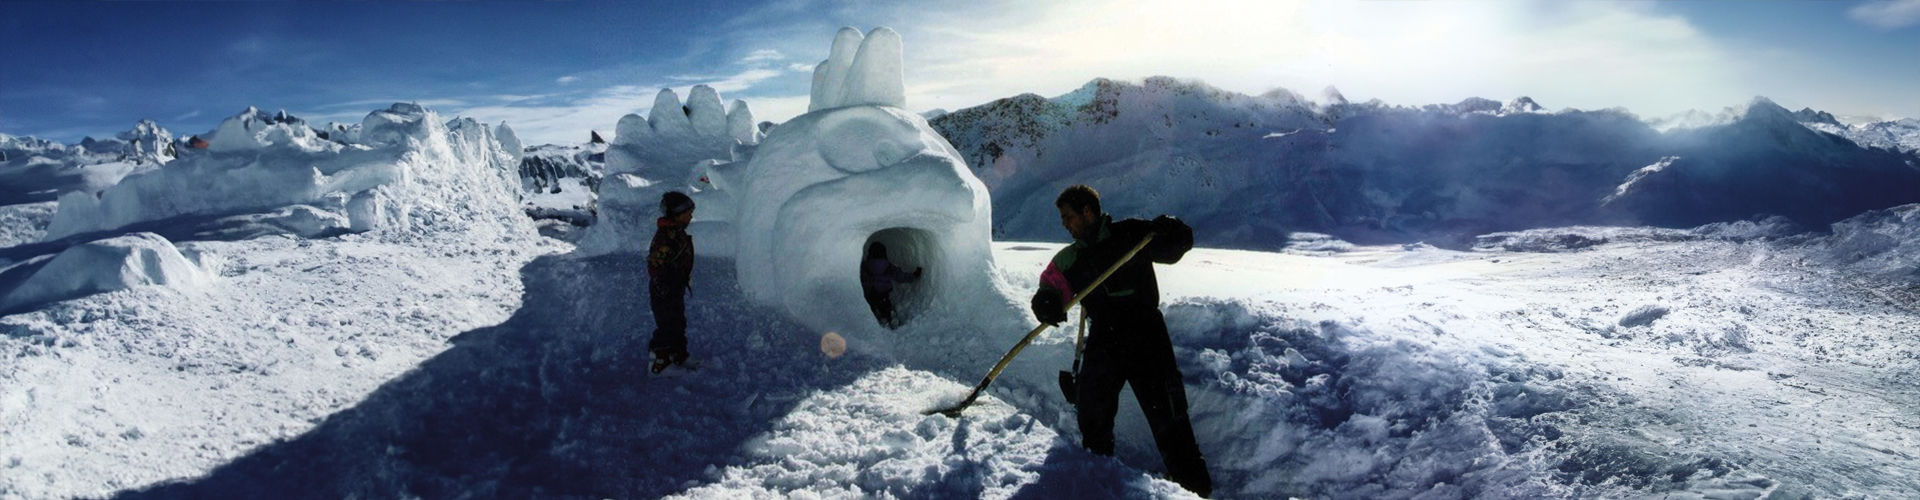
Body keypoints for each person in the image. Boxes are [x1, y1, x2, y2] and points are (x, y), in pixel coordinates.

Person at [1031, 184, 1212, 497]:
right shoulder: (1070, 258)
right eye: (1063, 219)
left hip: (1147, 336)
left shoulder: (1131, 235)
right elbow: (1049, 286)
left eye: (1069, 217)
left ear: (1088, 212)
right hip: (1104, 338)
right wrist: (1046, 303)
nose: (1065, 224)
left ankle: (1194, 487)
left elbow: (1175, 247)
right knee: (1092, 412)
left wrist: (1173, 230)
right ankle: (1099, 476)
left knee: (1169, 415)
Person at [647, 191, 696, 373]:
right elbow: (655, 264)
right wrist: (664, 285)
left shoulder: (676, 233)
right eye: (688, 213)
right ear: (677, 214)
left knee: (677, 323)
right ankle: (659, 363)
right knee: (668, 325)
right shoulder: (667, 236)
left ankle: (678, 356)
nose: (691, 216)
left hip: (673, 287)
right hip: (665, 289)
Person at [860, 242, 922, 328]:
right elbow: (901, 276)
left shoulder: (864, 266)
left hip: (870, 293)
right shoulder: (888, 266)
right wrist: (914, 275)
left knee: (872, 305)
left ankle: (876, 315)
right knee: (885, 304)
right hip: (883, 293)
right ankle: (889, 315)